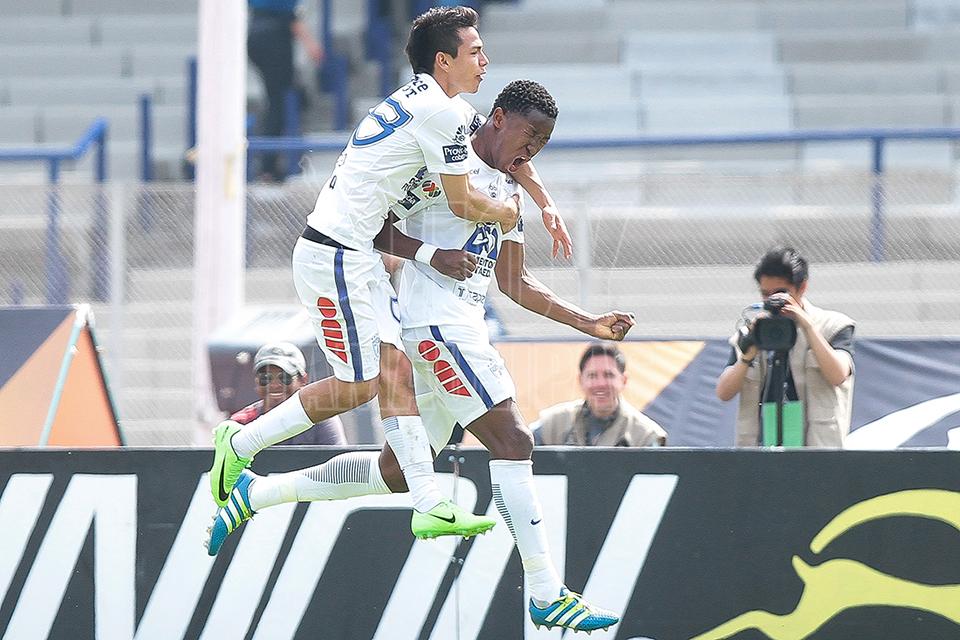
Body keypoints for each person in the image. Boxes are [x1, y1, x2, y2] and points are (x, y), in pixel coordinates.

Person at [207, 79, 627, 633]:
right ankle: (547, 592)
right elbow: (376, 227)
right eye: (530, 136)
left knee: (396, 472)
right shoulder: (442, 165)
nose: (533, 151)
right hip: (436, 328)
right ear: (499, 118)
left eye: (543, 143)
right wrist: (430, 253)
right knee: (513, 440)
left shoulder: (509, 190)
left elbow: (516, 283)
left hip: (458, 329)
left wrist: (587, 322)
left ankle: (256, 493)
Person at [207, 6, 569, 545]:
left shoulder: (441, 104)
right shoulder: (440, 114)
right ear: (444, 60)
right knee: (361, 384)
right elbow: (464, 201)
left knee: (392, 369)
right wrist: (507, 212)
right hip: (334, 252)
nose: (484, 60)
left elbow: (507, 153)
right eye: (474, 51)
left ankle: (427, 503)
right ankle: (240, 443)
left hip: (357, 254)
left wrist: (543, 200)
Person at [715, 246, 856, 447]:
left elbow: (838, 375)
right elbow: (723, 393)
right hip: (762, 444)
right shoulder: (753, 332)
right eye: (766, 294)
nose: (773, 300)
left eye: (781, 293)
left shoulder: (833, 326)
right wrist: (748, 354)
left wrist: (807, 325)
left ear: (802, 287)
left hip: (816, 448)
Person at [531, 342, 667, 446]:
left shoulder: (646, 435)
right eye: (592, 375)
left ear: (624, 380)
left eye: (608, 375)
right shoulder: (553, 424)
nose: (600, 384)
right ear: (580, 380)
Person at [247, 0, 323, 181]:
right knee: (280, 102)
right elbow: (289, 16)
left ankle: (269, 163)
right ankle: (268, 167)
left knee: (278, 100)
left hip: (256, 35)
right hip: (274, 38)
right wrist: (310, 43)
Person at [230, 342, 347, 445]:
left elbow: (338, 461)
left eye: (284, 377)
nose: (274, 385)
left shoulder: (320, 418)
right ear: (256, 381)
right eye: (265, 378)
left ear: (303, 380)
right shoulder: (240, 423)